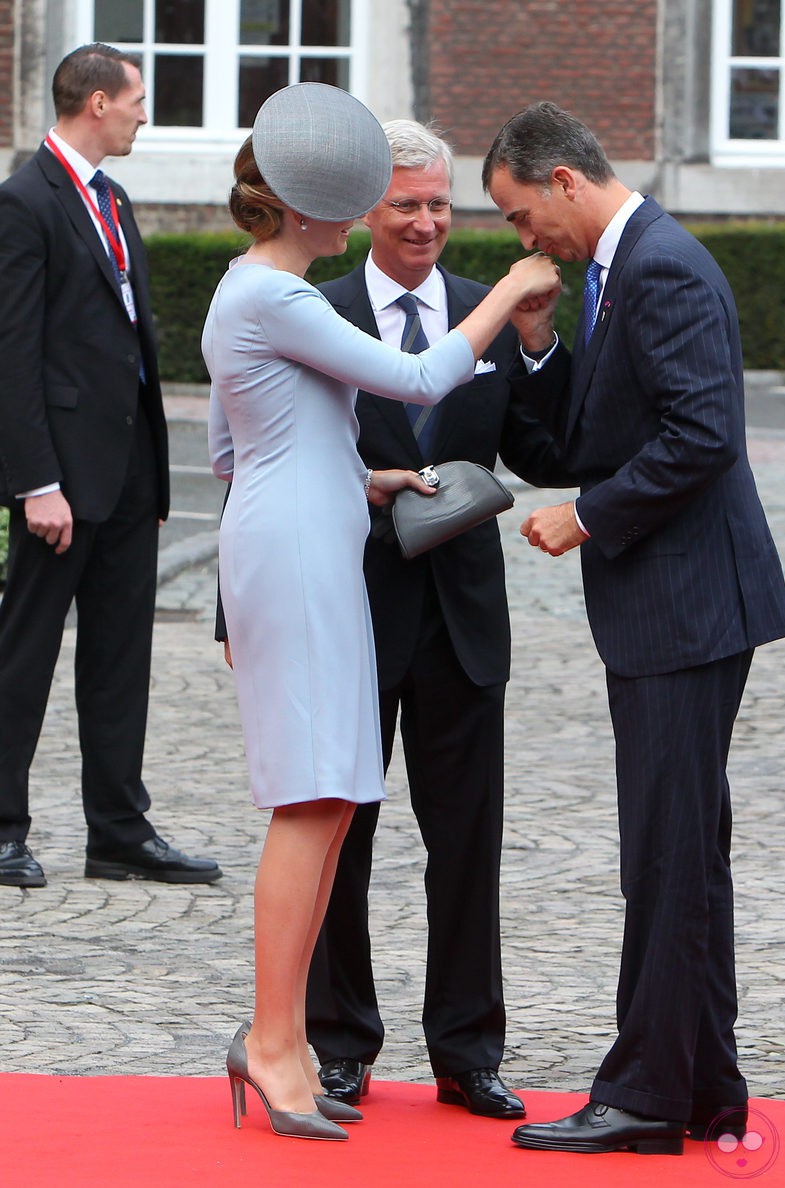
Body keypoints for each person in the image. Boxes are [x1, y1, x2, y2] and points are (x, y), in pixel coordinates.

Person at [203, 83, 559, 1141]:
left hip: (310, 536)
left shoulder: (253, 291)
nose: (405, 216)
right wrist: (504, 295)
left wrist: (357, 484)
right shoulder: (280, 296)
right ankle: (275, 1041)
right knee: (312, 802)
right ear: (327, 211)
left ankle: (284, 1041)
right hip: (305, 559)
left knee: (324, 795)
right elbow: (413, 380)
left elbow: (241, 450)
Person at [481, 102, 785, 1156]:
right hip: (676, 603)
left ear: (564, 180)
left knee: (663, 857)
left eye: (522, 217)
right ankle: (704, 1085)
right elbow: (589, 432)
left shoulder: (659, 264)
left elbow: (703, 432)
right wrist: (535, 340)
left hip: (687, 604)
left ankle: (646, 1096)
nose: (525, 241)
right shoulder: (621, 267)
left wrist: (590, 515)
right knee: (685, 855)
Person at [303, 120, 571, 1120]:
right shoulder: (315, 313)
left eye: (439, 206)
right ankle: (338, 1044)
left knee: (467, 846)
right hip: (351, 612)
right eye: (405, 205)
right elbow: (279, 461)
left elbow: (549, 450)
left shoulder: (490, 315)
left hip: (462, 620)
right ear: (368, 210)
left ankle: (467, 1052)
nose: (425, 223)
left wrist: (538, 341)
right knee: (341, 837)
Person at [0, 43, 221, 889]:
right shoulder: (24, 203)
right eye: (135, 99)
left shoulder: (113, 196)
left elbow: (127, 341)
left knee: (122, 654)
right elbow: (13, 353)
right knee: (24, 652)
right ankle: (2, 828)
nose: (143, 112)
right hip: (60, 475)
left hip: (128, 468)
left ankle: (118, 831)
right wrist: (35, 482)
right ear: (95, 102)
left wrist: (153, 476)